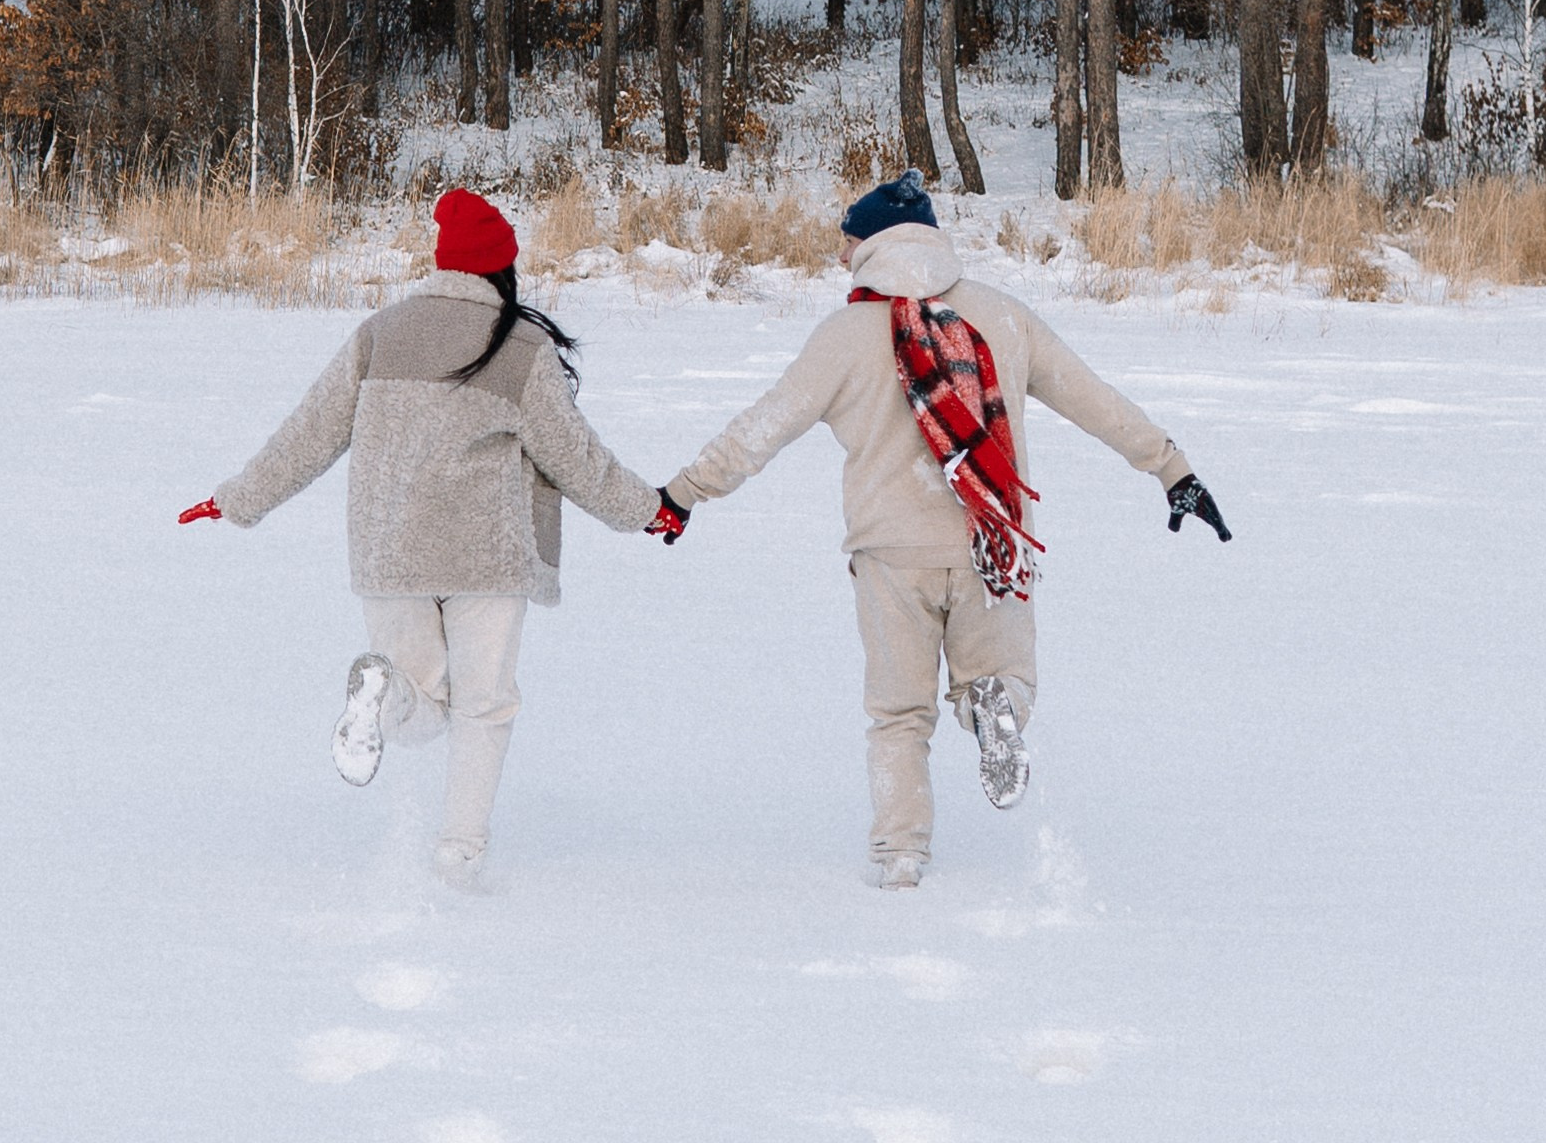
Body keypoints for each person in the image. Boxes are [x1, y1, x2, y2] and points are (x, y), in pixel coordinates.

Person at [648, 171, 1230, 887]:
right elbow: (1091, 398)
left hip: (892, 552)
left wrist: (684, 492)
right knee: (1003, 678)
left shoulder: (843, 336)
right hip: (991, 539)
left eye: (848, 243)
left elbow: (759, 431)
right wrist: (1170, 467)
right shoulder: (1001, 315)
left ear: (872, 246)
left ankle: (900, 856)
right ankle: (996, 706)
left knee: (898, 713)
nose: (840, 258)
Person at [179, 187, 661, 885]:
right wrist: (648, 510)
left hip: (391, 551)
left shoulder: (381, 332)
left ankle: (384, 691)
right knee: (483, 704)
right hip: (485, 557)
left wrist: (236, 499)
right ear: (502, 270)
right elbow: (577, 460)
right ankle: (458, 854)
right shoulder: (523, 347)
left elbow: (308, 433)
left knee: (423, 706)